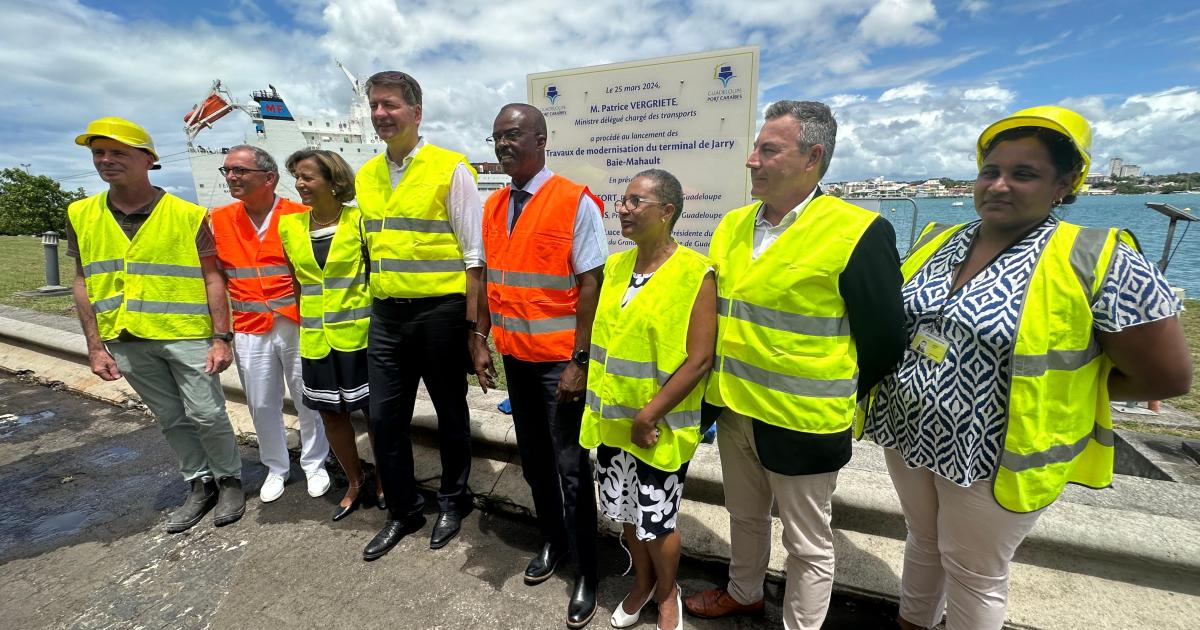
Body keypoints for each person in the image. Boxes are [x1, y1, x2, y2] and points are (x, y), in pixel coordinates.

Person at [863, 106, 1192, 630]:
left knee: (975, 572)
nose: (999, 185)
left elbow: (1167, 377)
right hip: (910, 432)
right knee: (924, 541)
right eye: (990, 170)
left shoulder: (1096, 257)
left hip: (997, 451)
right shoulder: (939, 239)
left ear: (1064, 184)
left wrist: (1075, 388)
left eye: (1024, 174)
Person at [683, 101, 907, 629]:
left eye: (768, 149)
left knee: (807, 541)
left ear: (813, 156)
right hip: (735, 408)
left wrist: (825, 389)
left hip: (802, 419)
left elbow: (883, 341)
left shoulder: (858, 230)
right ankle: (744, 592)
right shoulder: (734, 226)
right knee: (744, 516)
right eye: (756, 148)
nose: (751, 161)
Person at [66, 117, 245, 532]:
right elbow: (82, 280)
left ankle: (230, 478)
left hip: (187, 336)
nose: (106, 160)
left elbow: (213, 277)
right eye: (98, 153)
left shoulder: (187, 214)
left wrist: (221, 337)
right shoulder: (82, 213)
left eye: (118, 152)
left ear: (148, 159)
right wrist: (94, 346)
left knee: (206, 412)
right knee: (170, 417)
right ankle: (199, 482)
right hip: (126, 337)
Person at [475, 103, 607, 628]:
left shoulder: (574, 202)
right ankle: (553, 542)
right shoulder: (494, 205)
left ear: (541, 138)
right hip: (517, 361)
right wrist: (480, 338)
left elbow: (591, 285)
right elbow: (488, 279)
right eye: (497, 137)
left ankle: (588, 571)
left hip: (559, 365)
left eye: (513, 135)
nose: (504, 144)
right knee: (533, 465)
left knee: (572, 470)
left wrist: (579, 361)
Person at [356, 71, 490, 561]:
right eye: (373, 106)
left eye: (389, 105)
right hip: (387, 315)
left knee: (451, 414)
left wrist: (475, 330)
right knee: (386, 419)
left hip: (440, 312)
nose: (379, 114)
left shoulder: (450, 169)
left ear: (416, 111)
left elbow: (474, 256)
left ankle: (455, 501)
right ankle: (405, 510)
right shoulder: (367, 175)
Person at [579, 169, 716, 630]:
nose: (623, 208)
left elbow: (699, 359)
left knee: (657, 521)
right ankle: (640, 585)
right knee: (624, 515)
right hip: (614, 423)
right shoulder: (617, 267)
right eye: (623, 200)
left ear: (667, 211)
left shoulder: (696, 273)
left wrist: (649, 414)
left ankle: (667, 592)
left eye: (636, 201)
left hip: (659, 427)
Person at [211, 145, 331, 504]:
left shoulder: (300, 215)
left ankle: (314, 463)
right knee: (261, 403)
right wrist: (220, 334)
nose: (232, 177)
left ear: (269, 178)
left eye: (240, 171)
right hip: (250, 325)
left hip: (296, 322)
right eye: (227, 170)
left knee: (308, 397)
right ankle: (276, 466)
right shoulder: (218, 220)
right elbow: (214, 276)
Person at [279, 149, 383, 521]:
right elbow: (297, 284)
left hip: (361, 337)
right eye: (297, 177)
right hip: (316, 340)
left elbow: (375, 274)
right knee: (331, 416)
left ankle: (384, 479)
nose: (299, 184)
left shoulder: (359, 221)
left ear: (334, 180)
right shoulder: (289, 227)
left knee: (375, 415)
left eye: (307, 177)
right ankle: (355, 482)